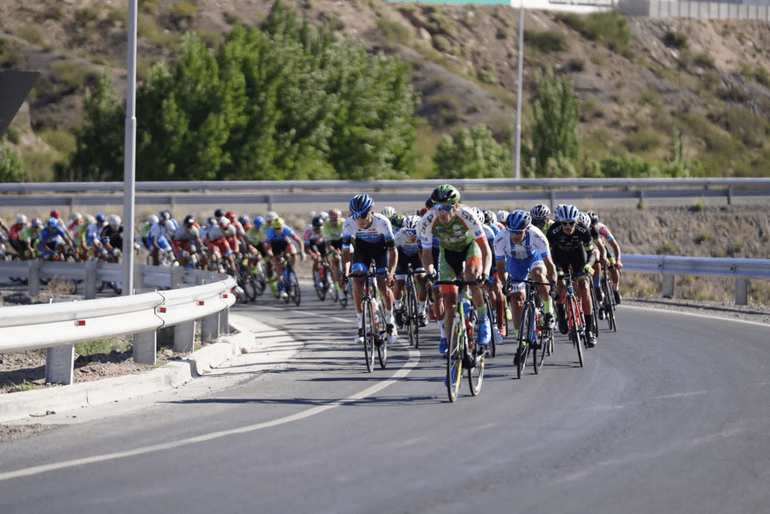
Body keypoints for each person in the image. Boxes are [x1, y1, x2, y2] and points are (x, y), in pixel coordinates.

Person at [418, 184, 492, 355]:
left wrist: (486, 273)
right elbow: (427, 254)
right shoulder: (427, 221)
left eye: (446, 208)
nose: (441, 212)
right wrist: (429, 272)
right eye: (438, 207)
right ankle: (452, 350)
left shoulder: (467, 215)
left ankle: (483, 319)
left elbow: (485, 249)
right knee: (449, 302)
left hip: (469, 248)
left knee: (471, 277)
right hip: (447, 254)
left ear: (456, 207)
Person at [494, 210, 557, 363]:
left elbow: (549, 265)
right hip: (515, 262)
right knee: (517, 299)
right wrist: (505, 283)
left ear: (527, 229)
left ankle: (548, 312)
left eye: (518, 232)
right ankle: (521, 343)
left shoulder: (538, 236)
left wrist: (553, 284)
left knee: (538, 275)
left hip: (533, 258)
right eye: (512, 232)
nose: (514, 236)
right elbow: (501, 267)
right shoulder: (500, 238)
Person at [339, 193, 398, 345]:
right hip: (362, 250)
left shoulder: (382, 222)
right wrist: (345, 273)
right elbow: (345, 254)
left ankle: (390, 321)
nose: (359, 220)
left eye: (363, 215)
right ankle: (361, 327)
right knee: (357, 279)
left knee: (383, 285)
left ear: (372, 213)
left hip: (380, 250)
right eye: (355, 215)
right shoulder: (348, 224)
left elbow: (393, 252)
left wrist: (390, 274)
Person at [546, 204, 598, 348]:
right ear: (559, 222)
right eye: (564, 223)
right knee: (561, 285)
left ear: (577, 222)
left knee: (584, 287)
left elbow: (592, 252)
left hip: (578, 256)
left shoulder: (583, 229)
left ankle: (589, 330)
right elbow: (547, 254)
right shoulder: (553, 230)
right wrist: (552, 271)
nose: (568, 226)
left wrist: (588, 265)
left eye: (571, 223)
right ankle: (562, 316)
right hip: (559, 257)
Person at [393, 215, 428, 328]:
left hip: (417, 257)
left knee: (423, 280)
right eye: (408, 232)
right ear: (404, 230)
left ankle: (422, 312)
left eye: (414, 232)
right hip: (402, 257)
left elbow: (427, 254)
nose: (411, 236)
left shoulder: (424, 235)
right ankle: (398, 308)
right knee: (399, 283)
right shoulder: (399, 236)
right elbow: (391, 253)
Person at [587, 210, 623, 305]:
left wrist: (618, 260)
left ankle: (615, 290)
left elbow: (615, 245)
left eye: (594, 225)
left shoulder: (602, 228)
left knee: (613, 267)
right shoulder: (584, 229)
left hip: (602, 249)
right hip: (591, 251)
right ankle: (598, 300)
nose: (593, 228)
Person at [264, 216, 304, 299]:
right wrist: (271, 255)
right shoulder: (269, 232)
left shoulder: (286, 229)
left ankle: (292, 267)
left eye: (280, 228)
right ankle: (282, 289)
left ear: (283, 226)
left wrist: (302, 252)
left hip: (285, 244)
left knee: (292, 250)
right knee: (278, 268)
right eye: (276, 228)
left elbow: (299, 240)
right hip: (275, 247)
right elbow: (267, 247)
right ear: (273, 227)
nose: (278, 230)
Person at [323, 208, 347, 301]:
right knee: (335, 261)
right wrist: (335, 252)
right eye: (332, 220)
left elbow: (351, 240)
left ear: (340, 217)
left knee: (351, 251)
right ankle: (340, 291)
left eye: (335, 219)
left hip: (342, 241)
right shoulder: (326, 225)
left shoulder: (344, 223)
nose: (334, 222)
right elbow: (328, 244)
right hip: (332, 244)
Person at [304, 214, 328, 290]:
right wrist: (312, 254)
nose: (317, 230)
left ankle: (330, 276)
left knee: (329, 258)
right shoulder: (307, 231)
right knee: (317, 259)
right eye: (316, 228)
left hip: (321, 245)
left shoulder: (325, 229)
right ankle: (318, 280)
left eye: (319, 228)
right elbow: (306, 248)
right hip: (311, 246)